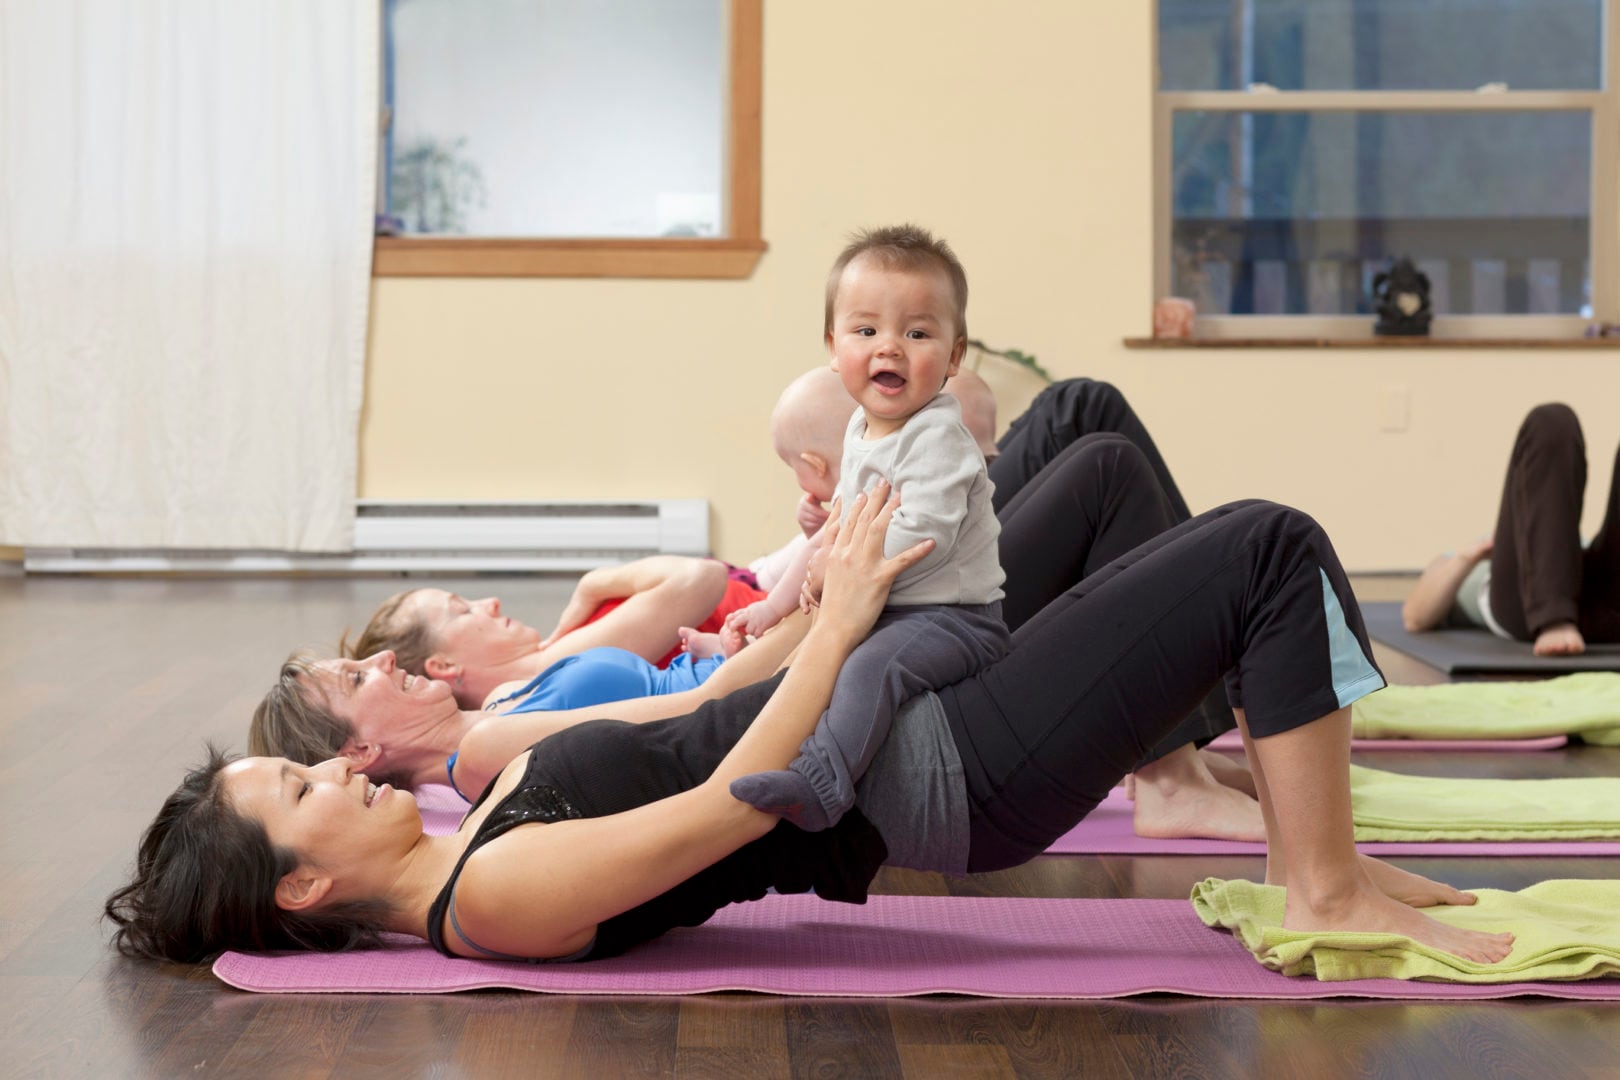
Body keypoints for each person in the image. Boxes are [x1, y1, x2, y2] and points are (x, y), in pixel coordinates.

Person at [109, 481, 1517, 968]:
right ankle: (1319, 886)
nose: (329, 775)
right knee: (1265, 546)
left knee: (1167, 506)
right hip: (955, 775)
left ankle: (1309, 857)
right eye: (301, 789)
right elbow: (750, 794)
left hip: (925, 735)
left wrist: (837, 609)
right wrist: (840, 617)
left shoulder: (472, 847)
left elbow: (720, 733)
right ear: (303, 883)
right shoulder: (497, 898)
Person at [684, 225, 1011, 832]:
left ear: (953, 356)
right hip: (885, 608)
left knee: (867, 668)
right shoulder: (861, 430)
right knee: (808, 659)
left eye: (916, 333)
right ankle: (756, 752)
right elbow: (834, 526)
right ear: (834, 349)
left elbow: (920, 539)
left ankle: (822, 784)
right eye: (867, 331)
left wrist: (832, 572)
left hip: (952, 618)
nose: (889, 349)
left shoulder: (939, 438)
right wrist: (773, 607)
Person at [1401, 403, 1619, 656]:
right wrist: (1468, 556)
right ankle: (1553, 617)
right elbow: (1414, 617)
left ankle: (1556, 607)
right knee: (1551, 420)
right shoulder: (1476, 563)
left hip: (1607, 605)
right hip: (1526, 610)